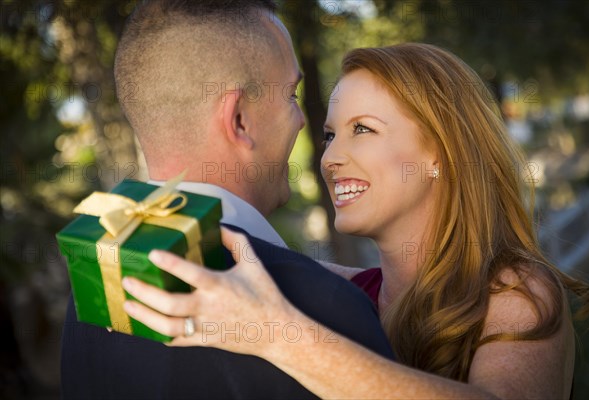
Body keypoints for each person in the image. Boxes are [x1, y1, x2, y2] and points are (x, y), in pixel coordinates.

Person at [123, 43, 589, 399]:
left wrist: (278, 336)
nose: (331, 157)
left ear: (441, 153)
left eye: (363, 129)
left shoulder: (515, 292)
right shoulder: (339, 290)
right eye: (330, 135)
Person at [60, 1, 395, 398]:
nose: (303, 119)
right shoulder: (320, 305)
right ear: (239, 120)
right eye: (291, 94)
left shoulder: (93, 284)